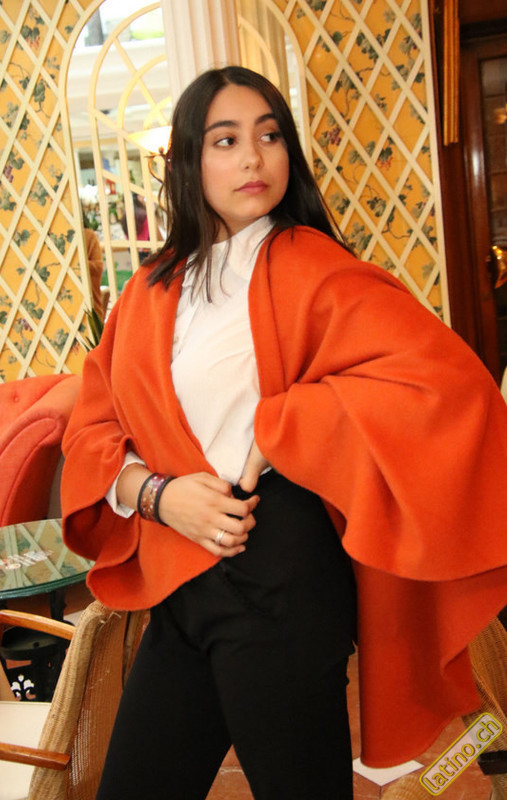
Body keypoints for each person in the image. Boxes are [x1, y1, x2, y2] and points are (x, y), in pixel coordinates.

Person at [61, 67, 507, 799]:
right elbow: (92, 428)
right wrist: (157, 495)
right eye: (226, 140)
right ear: (186, 161)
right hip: (181, 578)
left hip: (279, 569)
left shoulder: (315, 266)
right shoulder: (147, 291)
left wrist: (281, 429)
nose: (253, 157)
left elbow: (446, 386)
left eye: (269, 136)